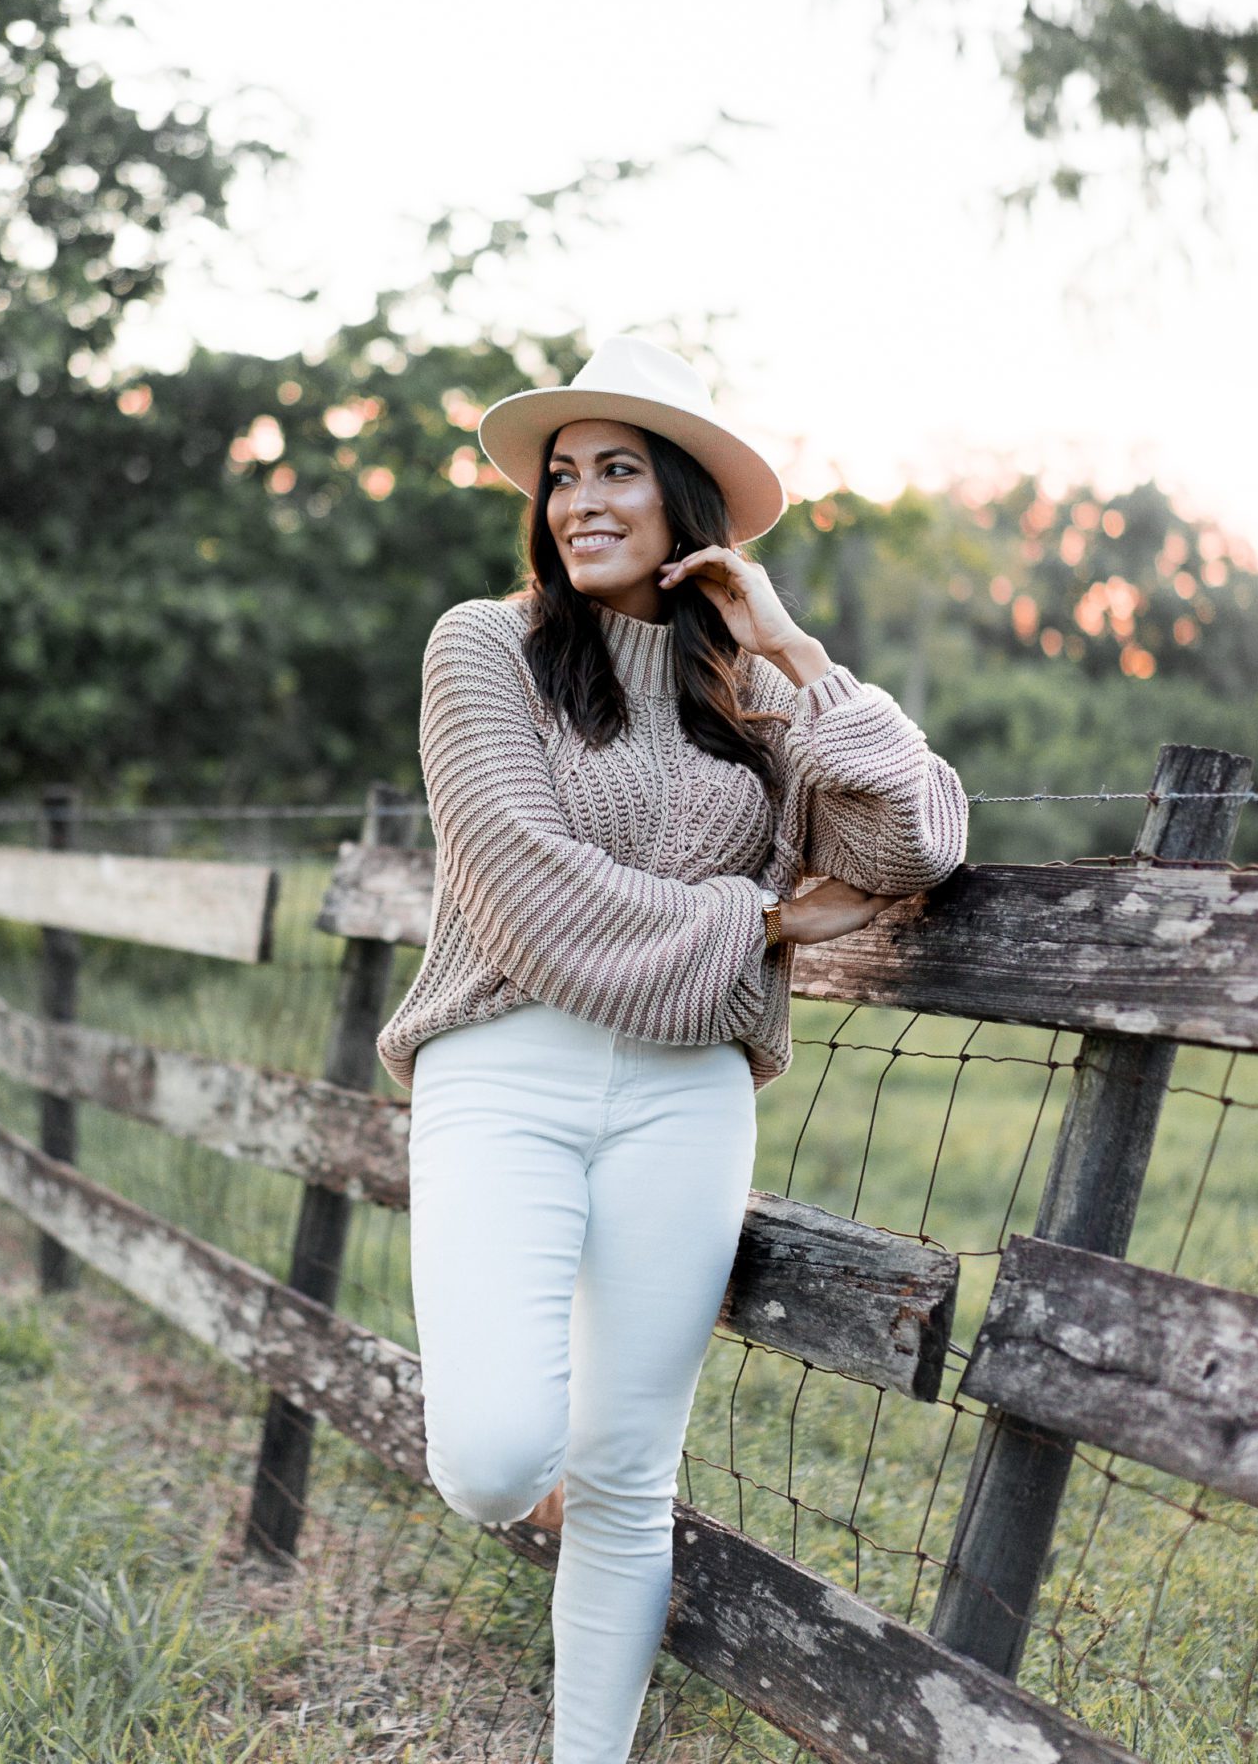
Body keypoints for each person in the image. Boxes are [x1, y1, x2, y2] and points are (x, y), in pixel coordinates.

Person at [375, 334, 968, 1762]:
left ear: (683, 503)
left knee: (632, 1477)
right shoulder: (484, 647)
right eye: (561, 475)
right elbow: (525, 889)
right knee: (496, 1457)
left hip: (685, 1103)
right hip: (502, 1069)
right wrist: (760, 919)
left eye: (617, 471)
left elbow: (915, 843)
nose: (577, 499)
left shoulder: (753, 698)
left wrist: (787, 648)